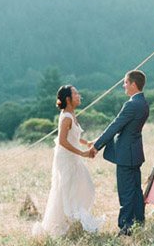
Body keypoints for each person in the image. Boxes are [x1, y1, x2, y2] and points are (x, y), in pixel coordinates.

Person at [32, 85, 104, 236]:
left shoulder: (71, 114)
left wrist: (87, 143)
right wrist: (82, 153)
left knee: (84, 186)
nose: (79, 95)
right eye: (75, 93)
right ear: (68, 99)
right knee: (66, 189)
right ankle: (66, 224)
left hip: (73, 157)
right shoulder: (66, 117)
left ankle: (75, 219)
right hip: (66, 159)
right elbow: (62, 141)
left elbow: (74, 136)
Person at [90, 70, 149, 236]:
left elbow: (115, 125)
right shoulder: (143, 103)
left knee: (126, 192)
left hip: (126, 155)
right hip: (135, 153)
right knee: (136, 190)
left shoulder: (131, 104)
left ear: (133, 84)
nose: (123, 85)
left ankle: (126, 227)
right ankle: (139, 222)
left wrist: (96, 146)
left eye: (125, 82)